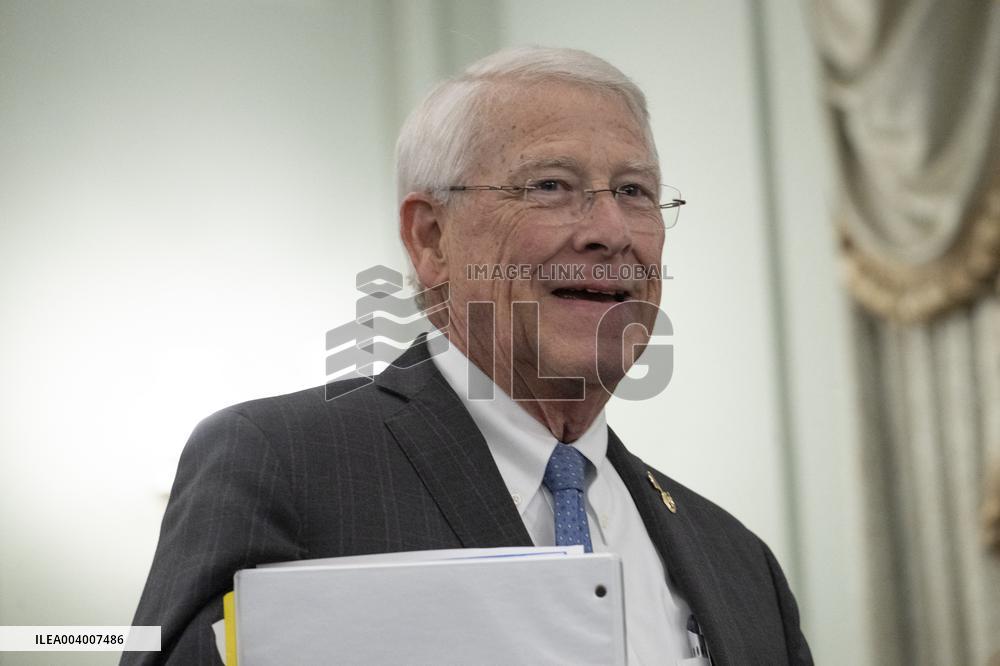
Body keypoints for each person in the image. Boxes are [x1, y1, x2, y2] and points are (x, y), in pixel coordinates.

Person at [125, 46, 813, 665]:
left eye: (633, 191)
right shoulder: (283, 464)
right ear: (431, 239)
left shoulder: (739, 562)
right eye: (550, 186)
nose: (610, 231)